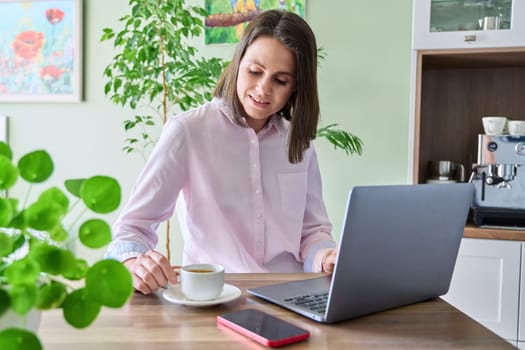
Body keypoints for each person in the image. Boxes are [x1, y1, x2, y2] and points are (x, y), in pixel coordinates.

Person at [106, 9, 338, 295]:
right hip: (213, 297)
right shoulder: (187, 132)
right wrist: (133, 262)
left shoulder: (299, 142)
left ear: (296, 87)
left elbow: (312, 232)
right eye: (255, 71)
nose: (263, 89)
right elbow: (131, 228)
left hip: (290, 296)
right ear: (237, 64)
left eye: (280, 80)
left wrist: (326, 256)